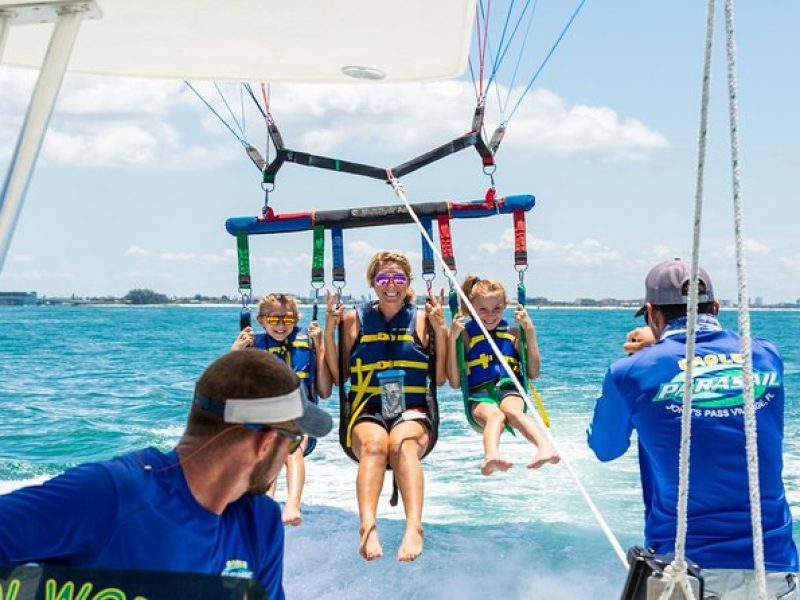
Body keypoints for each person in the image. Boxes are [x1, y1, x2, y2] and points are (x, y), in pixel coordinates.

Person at [0, 349, 334, 600]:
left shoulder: (260, 522)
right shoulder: (113, 494)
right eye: (292, 444)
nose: (290, 454)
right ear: (265, 442)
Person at [587, 259, 798, 599]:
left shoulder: (630, 372)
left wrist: (652, 353)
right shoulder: (766, 356)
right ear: (715, 307)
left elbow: (605, 448)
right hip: (773, 567)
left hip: (688, 570)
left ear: (653, 313)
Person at [324, 250, 447, 563]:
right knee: (376, 445)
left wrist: (441, 329)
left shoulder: (422, 319)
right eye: (383, 278)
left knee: (402, 444)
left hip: (413, 411)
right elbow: (339, 378)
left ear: (407, 284)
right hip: (368, 408)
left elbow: (441, 378)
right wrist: (328, 329)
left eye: (398, 278)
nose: (391, 284)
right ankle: (367, 526)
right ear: (372, 282)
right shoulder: (353, 319)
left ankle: (414, 527)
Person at [231, 292, 333, 526]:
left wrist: (320, 348)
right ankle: (267, 504)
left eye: (287, 320)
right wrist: (236, 349)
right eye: (273, 319)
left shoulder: (307, 344)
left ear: (296, 321)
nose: (280, 325)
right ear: (261, 320)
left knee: (290, 448)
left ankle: (293, 505)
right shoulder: (253, 345)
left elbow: (325, 391)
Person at [446, 275, 559, 476]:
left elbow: (533, 373)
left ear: (505, 305)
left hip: (509, 388)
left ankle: (545, 447)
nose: (490, 315)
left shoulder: (514, 333)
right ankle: (491, 456)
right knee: (495, 416)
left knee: (513, 411)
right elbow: (455, 382)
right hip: (479, 395)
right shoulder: (464, 335)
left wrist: (529, 331)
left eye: (496, 309)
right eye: (482, 310)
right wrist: (451, 338)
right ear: (471, 307)